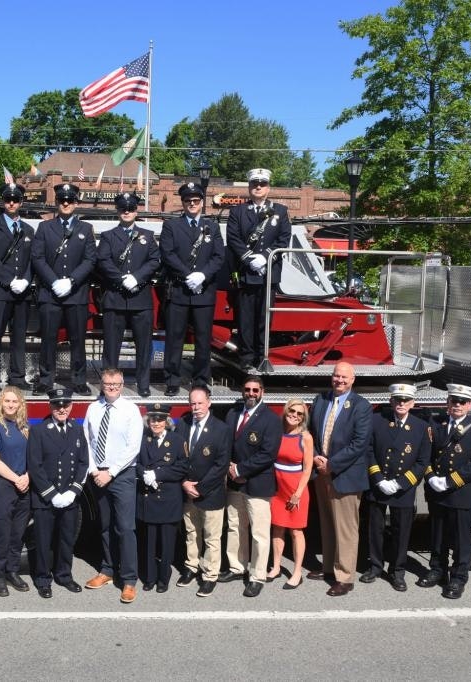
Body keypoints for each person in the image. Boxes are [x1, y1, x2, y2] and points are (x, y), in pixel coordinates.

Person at [418, 383, 471, 600]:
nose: (457, 405)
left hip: (460, 493)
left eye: (462, 402)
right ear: (448, 402)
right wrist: (431, 478)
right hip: (437, 491)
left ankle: (458, 578)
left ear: (470, 405)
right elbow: (426, 454)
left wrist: (448, 481)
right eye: (454, 401)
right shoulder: (437, 425)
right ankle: (437, 569)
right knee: (437, 535)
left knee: (461, 539)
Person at [309, 361, 372, 597]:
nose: (340, 380)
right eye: (336, 376)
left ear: (353, 379)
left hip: (344, 474)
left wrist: (332, 464)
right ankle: (328, 567)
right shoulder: (321, 400)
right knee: (327, 523)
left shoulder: (361, 406)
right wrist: (316, 457)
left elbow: (359, 443)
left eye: (345, 377)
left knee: (346, 528)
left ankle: (345, 577)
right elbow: (312, 432)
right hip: (321, 472)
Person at [83, 367, 144, 603]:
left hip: (122, 475)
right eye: (108, 384)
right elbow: (86, 440)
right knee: (105, 525)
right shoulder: (93, 408)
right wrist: (93, 469)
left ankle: (128, 580)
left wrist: (111, 472)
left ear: (122, 385)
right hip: (99, 474)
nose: (111, 388)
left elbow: (133, 447)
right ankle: (107, 570)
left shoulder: (130, 410)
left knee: (125, 528)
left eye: (116, 384)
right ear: (102, 384)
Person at [362, 383, 431, 592]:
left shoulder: (421, 427)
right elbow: (369, 450)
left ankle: (397, 571)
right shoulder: (376, 421)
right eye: (397, 400)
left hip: (404, 488)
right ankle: (375, 566)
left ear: (413, 403)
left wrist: (400, 483)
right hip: (379, 484)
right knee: (375, 529)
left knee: (402, 532)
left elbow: (422, 461)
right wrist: (379, 479)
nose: (401, 404)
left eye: (406, 400)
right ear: (391, 401)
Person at [31, 183, 97, 395]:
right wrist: (53, 281)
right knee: (48, 339)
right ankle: (46, 379)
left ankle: (78, 380)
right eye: (61, 200)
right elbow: (37, 258)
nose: (66, 203)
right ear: (57, 203)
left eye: (70, 200)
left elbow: (90, 260)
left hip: (76, 293)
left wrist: (71, 281)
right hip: (50, 294)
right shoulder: (44, 227)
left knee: (78, 339)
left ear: (76, 203)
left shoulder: (86, 229)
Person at [159, 182, 225, 395]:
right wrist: (188, 276)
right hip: (178, 290)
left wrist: (202, 275)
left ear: (202, 202)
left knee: (203, 339)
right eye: (188, 201)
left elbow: (218, 256)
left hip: (203, 292)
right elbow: (168, 254)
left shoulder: (212, 227)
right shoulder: (171, 226)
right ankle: (172, 380)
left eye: (196, 201)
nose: (192, 204)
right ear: (183, 203)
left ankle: (200, 381)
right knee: (174, 338)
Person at [226, 168, 292, 371]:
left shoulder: (280, 211)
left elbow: (284, 238)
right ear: (249, 187)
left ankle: (262, 355)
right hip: (246, 274)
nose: (258, 187)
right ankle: (246, 357)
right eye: (254, 184)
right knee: (245, 319)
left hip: (268, 274)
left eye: (262, 184)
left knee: (264, 317)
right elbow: (233, 238)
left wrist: (265, 258)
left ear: (268, 187)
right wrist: (248, 259)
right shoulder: (237, 211)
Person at [95, 192, 160, 397]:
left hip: (140, 299)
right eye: (123, 209)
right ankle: (109, 385)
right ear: (117, 211)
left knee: (143, 346)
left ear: (136, 210)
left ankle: (143, 384)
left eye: (130, 208)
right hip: (115, 298)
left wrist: (138, 278)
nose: (127, 212)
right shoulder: (108, 236)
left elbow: (155, 260)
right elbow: (103, 261)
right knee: (111, 348)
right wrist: (122, 278)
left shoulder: (147, 236)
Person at [222, 375, 282, 597]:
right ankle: (237, 567)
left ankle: (257, 576)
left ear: (262, 392)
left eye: (255, 390)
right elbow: (227, 443)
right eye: (247, 389)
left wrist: (240, 470)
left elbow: (268, 454)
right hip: (235, 482)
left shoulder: (271, 419)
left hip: (257, 483)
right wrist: (229, 467)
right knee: (236, 527)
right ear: (242, 390)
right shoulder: (233, 413)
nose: (251, 393)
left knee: (259, 533)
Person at [27, 388, 89, 599]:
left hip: (69, 497)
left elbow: (83, 463)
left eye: (65, 405)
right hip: (46, 498)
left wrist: (73, 492)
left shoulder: (77, 429)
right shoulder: (39, 430)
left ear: (71, 406)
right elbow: (35, 466)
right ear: (50, 406)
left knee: (66, 539)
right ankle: (43, 578)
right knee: (43, 541)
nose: (62, 409)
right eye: (57, 405)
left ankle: (64, 575)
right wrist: (52, 494)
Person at [176, 384, 231, 596]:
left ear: (209, 402)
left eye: (200, 403)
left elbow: (221, 464)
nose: (196, 407)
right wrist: (184, 483)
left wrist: (201, 487)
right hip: (187, 490)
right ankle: (191, 567)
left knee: (211, 537)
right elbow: (178, 458)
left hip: (210, 492)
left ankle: (209, 575)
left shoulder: (221, 429)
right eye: (192, 403)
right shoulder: (182, 425)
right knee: (191, 533)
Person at [0, 183, 34, 392]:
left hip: (22, 292)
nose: (11, 203)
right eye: (7, 199)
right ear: (3, 202)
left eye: (15, 200)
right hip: (0, 291)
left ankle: (17, 377)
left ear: (21, 202)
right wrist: (10, 280)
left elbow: (33, 260)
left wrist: (26, 280)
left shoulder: (28, 230)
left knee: (19, 337)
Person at [0, 386, 31, 597]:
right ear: (0, 403)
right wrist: (16, 479)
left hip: (24, 486)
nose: (11, 405)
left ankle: (12, 571)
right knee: (2, 535)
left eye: (15, 401)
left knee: (17, 534)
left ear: (20, 404)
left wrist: (27, 477)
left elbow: (33, 456)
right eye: (7, 401)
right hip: (4, 487)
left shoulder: (24, 427)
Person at [135, 402, 186, 593]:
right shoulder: (143, 440)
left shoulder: (177, 440)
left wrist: (157, 475)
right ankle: (149, 577)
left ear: (166, 421)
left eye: (160, 419)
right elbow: (136, 463)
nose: (156, 423)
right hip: (148, 499)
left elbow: (182, 467)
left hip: (168, 500)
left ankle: (163, 579)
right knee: (148, 542)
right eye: (152, 419)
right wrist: (144, 474)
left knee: (166, 543)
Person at [268, 398, 315, 590]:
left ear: (304, 417)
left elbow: (308, 468)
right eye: (292, 411)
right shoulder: (277, 433)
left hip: (296, 490)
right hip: (277, 488)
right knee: (277, 527)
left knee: (296, 531)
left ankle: (297, 572)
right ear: (286, 411)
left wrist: (298, 493)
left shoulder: (306, 437)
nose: (295, 415)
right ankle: (276, 566)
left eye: (299, 413)